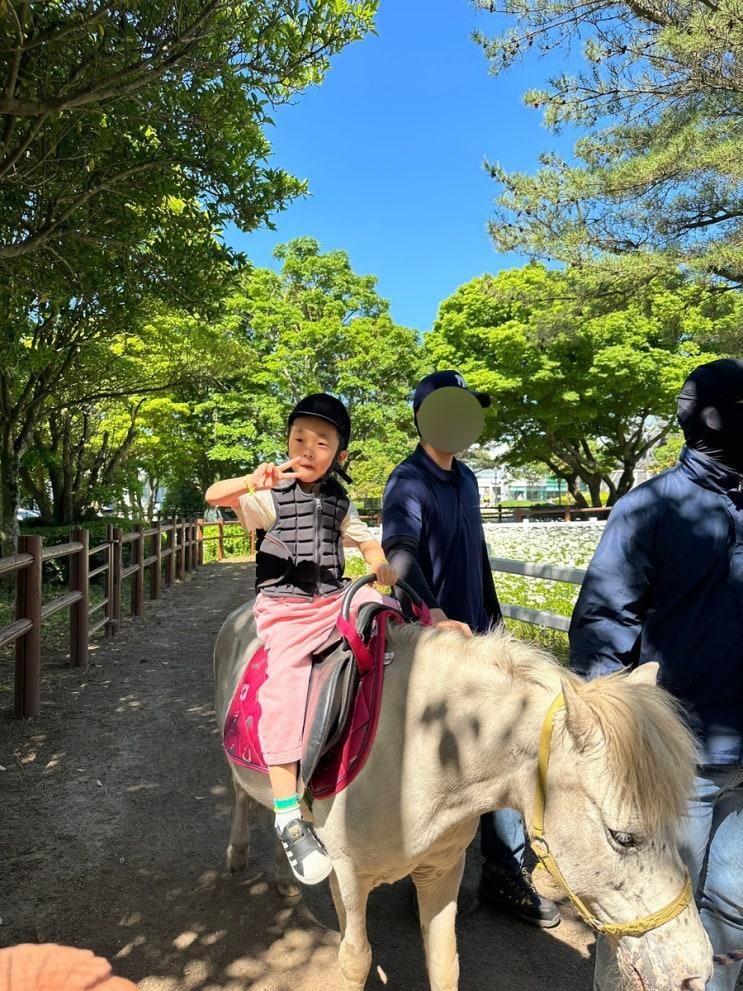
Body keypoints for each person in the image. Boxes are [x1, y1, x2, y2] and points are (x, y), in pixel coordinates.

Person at [569, 357, 743, 991]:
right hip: (675, 763)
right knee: (646, 916)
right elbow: (601, 628)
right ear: (716, 417)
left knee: (734, 911)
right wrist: (608, 747)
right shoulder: (650, 509)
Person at [381, 369, 560, 928]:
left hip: (479, 640)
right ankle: (423, 872)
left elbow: (475, 552)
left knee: (502, 752)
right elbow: (400, 551)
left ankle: (507, 874)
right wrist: (431, 614)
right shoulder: (406, 481)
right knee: (435, 761)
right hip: (430, 644)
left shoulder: (467, 479)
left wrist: (496, 620)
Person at [206, 393, 397, 887]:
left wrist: (378, 566)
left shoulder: (340, 500)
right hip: (286, 611)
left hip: (333, 601)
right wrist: (253, 479)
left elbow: (364, 538)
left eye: (321, 442)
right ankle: (288, 813)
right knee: (287, 683)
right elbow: (213, 496)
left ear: (341, 454)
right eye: (299, 439)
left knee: (394, 622)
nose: (308, 449)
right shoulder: (270, 494)